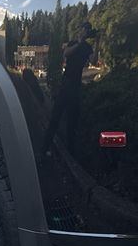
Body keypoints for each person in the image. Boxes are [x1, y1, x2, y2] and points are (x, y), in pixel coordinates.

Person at [41, 24, 97, 156]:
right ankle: (44, 149)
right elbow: (66, 53)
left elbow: (94, 61)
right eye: (84, 29)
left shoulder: (88, 47)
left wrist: (98, 42)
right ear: (80, 30)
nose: (85, 32)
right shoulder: (73, 43)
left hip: (76, 86)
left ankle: (71, 152)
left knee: (72, 121)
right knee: (55, 117)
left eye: (87, 30)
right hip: (65, 84)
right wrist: (79, 42)